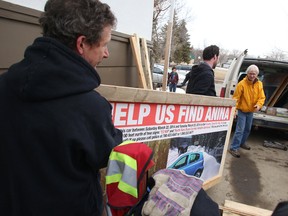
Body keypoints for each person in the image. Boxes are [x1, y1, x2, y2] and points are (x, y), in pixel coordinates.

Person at [0, 0, 122, 215]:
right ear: (82, 43)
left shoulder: (4, 85)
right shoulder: (90, 107)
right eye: (104, 44)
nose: (106, 54)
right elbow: (105, 154)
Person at [228, 64, 265, 158]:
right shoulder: (241, 84)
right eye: (250, 73)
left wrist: (259, 105)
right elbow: (236, 98)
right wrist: (234, 110)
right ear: (247, 73)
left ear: (257, 74)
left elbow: (262, 97)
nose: (252, 75)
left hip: (251, 112)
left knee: (248, 129)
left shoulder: (259, 84)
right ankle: (233, 148)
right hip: (242, 110)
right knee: (240, 130)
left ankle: (242, 143)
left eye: (254, 74)